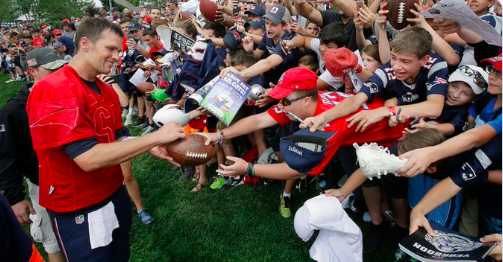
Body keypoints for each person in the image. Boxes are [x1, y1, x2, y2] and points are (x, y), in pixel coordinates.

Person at [26, 18, 185, 262]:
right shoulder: (54, 88)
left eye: (119, 51)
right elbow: (87, 158)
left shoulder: (105, 88)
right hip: (79, 205)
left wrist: (149, 146)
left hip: (113, 193)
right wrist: (154, 137)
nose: (116, 56)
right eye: (110, 49)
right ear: (86, 43)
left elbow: (118, 137)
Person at [199, 67, 408, 210]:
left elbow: (296, 169)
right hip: (375, 122)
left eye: (284, 100)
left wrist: (249, 169)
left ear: (307, 100)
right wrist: (219, 135)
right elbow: (260, 120)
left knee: (386, 181)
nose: (279, 105)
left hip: (397, 131)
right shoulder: (300, 104)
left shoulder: (327, 125)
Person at [0, 47, 67, 262]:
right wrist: (16, 198)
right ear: (32, 72)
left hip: (72, 177)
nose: (59, 75)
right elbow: (7, 157)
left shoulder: (67, 94)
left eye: (61, 69)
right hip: (41, 184)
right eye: (51, 70)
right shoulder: (14, 111)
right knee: (52, 240)